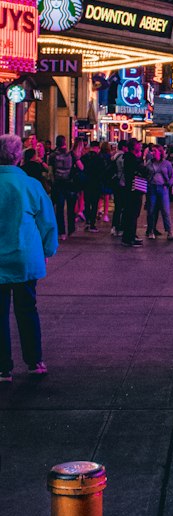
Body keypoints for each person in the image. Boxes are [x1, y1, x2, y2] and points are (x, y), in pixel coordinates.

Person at [0, 133, 57, 381]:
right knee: (27, 309)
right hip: (25, 256)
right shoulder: (31, 185)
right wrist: (47, 250)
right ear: (18, 158)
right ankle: (34, 361)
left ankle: (3, 367)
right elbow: (47, 222)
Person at [144, 145, 173, 240]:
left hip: (163, 188)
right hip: (152, 187)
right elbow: (145, 173)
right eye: (152, 151)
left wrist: (168, 184)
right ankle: (151, 231)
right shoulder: (149, 163)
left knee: (165, 210)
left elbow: (172, 176)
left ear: (160, 152)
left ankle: (170, 232)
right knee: (151, 210)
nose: (152, 153)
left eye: (155, 151)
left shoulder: (166, 163)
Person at [120, 138, 147, 249]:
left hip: (134, 187)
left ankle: (131, 236)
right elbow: (140, 170)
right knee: (132, 213)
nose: (140, 147)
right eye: (138, 145)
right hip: (133, 188)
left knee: (132, 213)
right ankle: (129, 238)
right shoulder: (131, 158)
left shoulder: (130, 158)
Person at [49, 134, 77, 239]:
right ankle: (71, 228)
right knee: (71, 207)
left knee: (59, 208)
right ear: (65, 142)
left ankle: (61, 231)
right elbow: (80, 167)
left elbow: (50, 172)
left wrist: (52, 182)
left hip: (58, 184)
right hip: (69, 183)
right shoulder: (71, 154)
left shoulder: (52, 156)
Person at [81, 141, 106, 232]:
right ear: (97, 147)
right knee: (94, 204)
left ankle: (87, 221)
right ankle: (92, 223)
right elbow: (103, 172)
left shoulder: (84, 157)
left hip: (86, 183)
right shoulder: (99, 158)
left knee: (87, 203)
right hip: (96, 183)